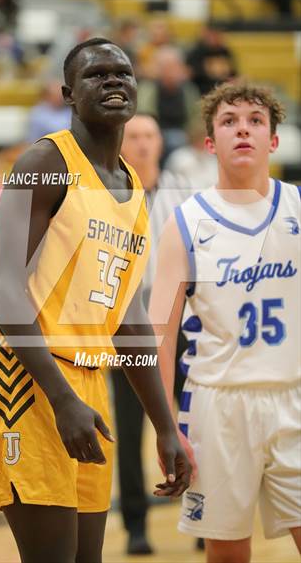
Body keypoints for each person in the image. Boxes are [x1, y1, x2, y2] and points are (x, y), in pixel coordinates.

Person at [0, 38, 192, 563]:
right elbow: (6, 292)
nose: (113, 80)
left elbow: (128, 316)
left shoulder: (131, 188)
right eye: (96, 74)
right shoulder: (45, 162)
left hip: (89, 376)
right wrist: (61, 398)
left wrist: (165, 426)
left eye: (123, 72)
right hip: (25, 372)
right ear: (68, 94)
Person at [150, 81, 300, 563]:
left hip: (294, 398)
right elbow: (160, 335)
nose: (243, 130)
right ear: (210, 142)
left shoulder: (298, 208)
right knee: (227, 553)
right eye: (229, 121)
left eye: (255, 121)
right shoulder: (186, 222)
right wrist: (164, 424)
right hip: (218, 405)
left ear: (273, 140)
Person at [111, 113, 193, 555]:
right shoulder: (108, 193)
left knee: (196, 423)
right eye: (134, 136)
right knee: (129, 432)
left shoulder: (185, 193)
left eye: (149, 136)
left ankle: (204, 516)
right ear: (122, 143)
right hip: (127, 330)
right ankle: (135, 526)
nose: (142, 144)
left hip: (183, 329)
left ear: (160, 142)